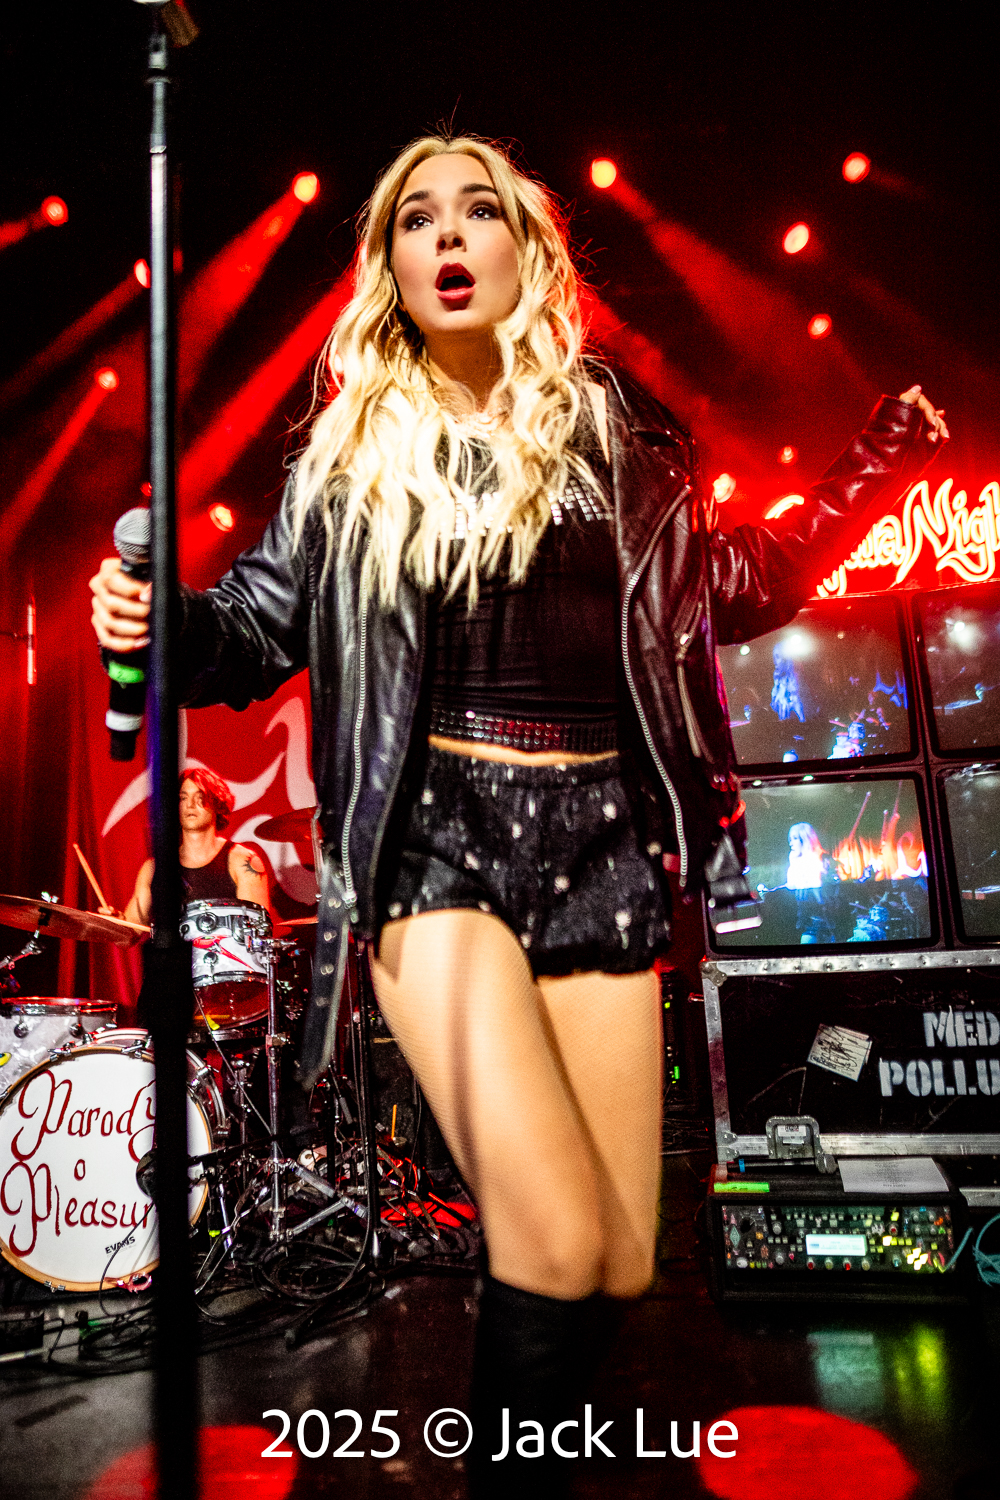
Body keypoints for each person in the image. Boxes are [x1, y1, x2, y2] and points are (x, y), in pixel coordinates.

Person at [90, 133, 947, 1493]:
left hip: (601, 842)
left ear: (526, 250)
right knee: (543, 1245)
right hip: (433, 843)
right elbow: (249, 629)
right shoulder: (353, 459)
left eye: (476, 209)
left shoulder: (614, 432)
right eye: (414, 218)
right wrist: (159, 622)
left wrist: (877, 465)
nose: (445, 233)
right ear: (390, 268)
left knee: (609, 1260)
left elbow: (739, 582)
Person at [107, 767, 270, 925]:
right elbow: (130, 931)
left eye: (200, 798)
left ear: (217, 803)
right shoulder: (154, 869)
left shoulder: (243, 862)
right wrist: (114, 923)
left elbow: (256, 930)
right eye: (182, 798)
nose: (190, 805)